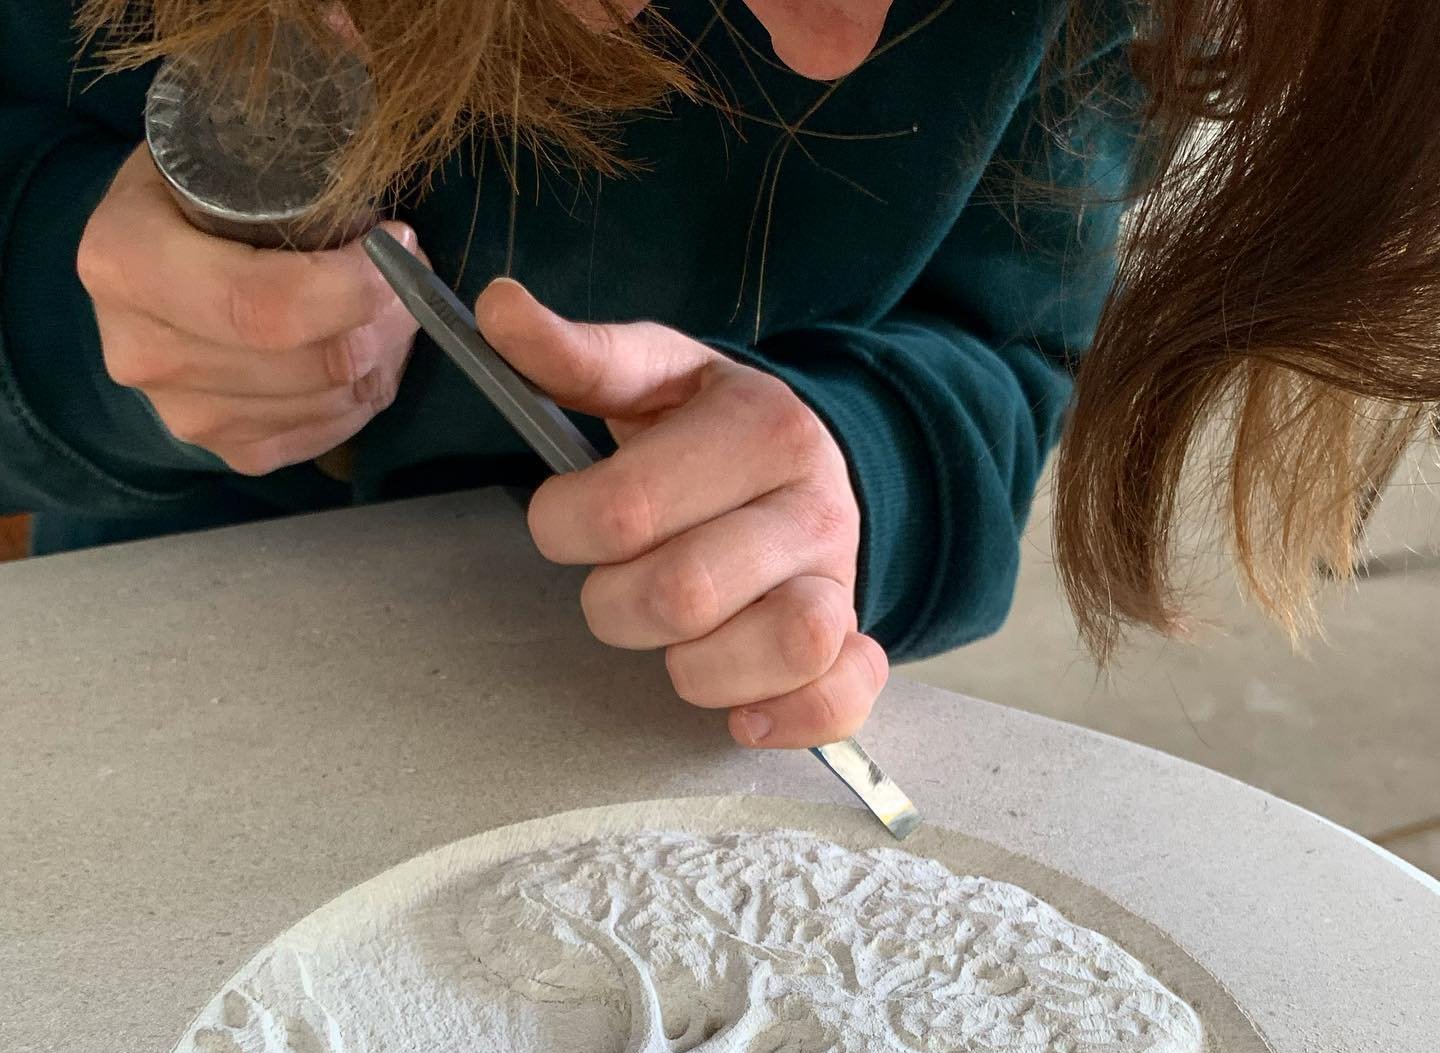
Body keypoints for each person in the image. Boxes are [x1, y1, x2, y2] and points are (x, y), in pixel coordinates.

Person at [1, 1, 1431, 749]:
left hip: (679, 740)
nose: (832, 49)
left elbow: (1002, 351)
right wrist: (79, 325)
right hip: (171, 688)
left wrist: (864, 472)